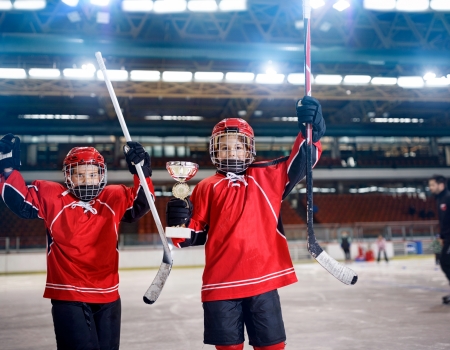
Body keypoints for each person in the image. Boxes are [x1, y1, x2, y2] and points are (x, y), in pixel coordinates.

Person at [166, 96, 325, 350]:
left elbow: (303, 161)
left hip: (263, 280)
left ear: (249, 149)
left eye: (239, 146)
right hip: (220, 285)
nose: (232, 152)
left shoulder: (267, 176)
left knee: (272, 346)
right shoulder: (205, 187)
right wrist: (175, 221)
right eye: (225, 147)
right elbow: (187, 238)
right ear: (214, 151)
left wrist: (312, 131)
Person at [0, 134, 154, 349]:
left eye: (92, 174)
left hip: (108, 294)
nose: (86, 180)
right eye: (78, 174)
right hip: (68, 294)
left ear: (102, 176)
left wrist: (142, 172)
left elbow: (142, 202)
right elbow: (18, 200)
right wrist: (7, 167)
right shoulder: (52, 195)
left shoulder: (113, 197)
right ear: (68, 177)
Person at [428, 175, 450, 304]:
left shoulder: (448, 198)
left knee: (445, 261)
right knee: (444, 261)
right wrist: (441, 237)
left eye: (432, 185)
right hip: (446, 237)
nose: (430, 188)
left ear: (440, 185)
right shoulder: (439, 199)